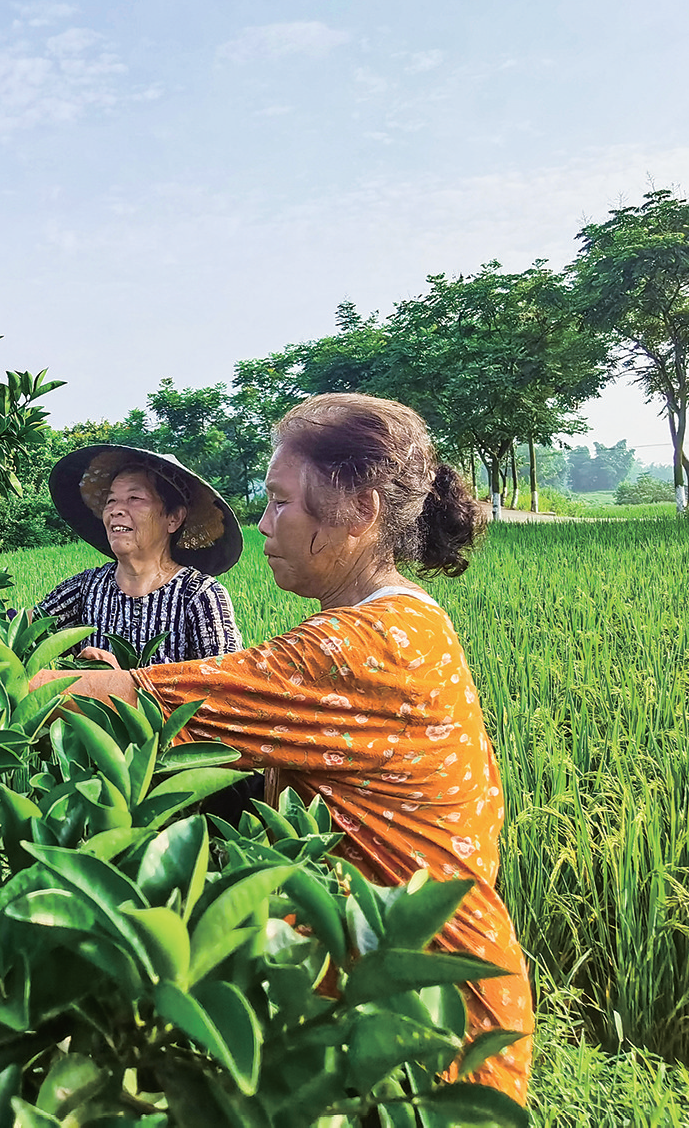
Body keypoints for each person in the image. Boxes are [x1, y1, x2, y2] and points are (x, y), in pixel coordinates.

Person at [29, 395, 532, 1100]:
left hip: (423, 1019)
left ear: (359, 510)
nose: (262, 524)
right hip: (370, 990)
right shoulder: (389, 618)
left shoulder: (363, 644)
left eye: (278, 502)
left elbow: (171, 697)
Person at [35, 445, 244, 667]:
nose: (116, 510)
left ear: (174, 518)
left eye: (134, 498)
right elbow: (23, 633)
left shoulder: (199, 595)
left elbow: (225, 685)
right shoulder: (86, 589)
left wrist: (125, 683)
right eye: (111, 501)